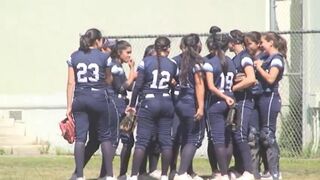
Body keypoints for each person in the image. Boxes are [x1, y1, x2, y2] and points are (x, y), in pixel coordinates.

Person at [66, 28, 116, 180]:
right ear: (97, 41)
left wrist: (68, 106)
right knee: (105, 137)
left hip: (80, 98)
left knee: (81, 138)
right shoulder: (104, 56)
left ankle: (80, 176)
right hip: (98, 97)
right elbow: (108, 80)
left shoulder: (74, 56)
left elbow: (70, 82)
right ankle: (109, 175)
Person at [127, 36, 178, 180]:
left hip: (149, 101)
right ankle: (163, 175)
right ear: (167, 48)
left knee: (142, 141)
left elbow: (138, 85)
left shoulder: (146, 62)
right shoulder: (172, 63)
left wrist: (132, 105)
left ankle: (134, 175)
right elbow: (175, 83)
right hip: (167, 102)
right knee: (166, 141)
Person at [203, 26, 236, 180]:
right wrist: (228, 96)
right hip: (230, 100)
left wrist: (222, 96)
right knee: (227, 138)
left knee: (218, 139)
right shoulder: (231, 62)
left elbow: (211, 86)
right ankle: (226, 171)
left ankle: (222, 174)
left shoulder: (211, 62)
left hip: (217, 102)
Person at [254, 32, 286, 180]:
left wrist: (259, 68)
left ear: (271, 42)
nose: (260, 45)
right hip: (260, 98)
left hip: (270, 98)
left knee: (268, 135)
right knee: (259, 136)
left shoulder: (277, 59)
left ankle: (275, 172)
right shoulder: (264, 57)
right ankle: (264, 170)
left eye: (263, 42)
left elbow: (271, 79)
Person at [173, 33, 205, 180]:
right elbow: (199, 85)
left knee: (183, 138)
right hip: (190, 102)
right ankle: (182, 173)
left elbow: (171, 80)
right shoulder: (197, 62)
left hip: (177, 102)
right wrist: (201, 107)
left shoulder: (175, 61)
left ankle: (186, 171)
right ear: (197, 45)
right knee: (194, 138)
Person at [228, 29, 256, 180]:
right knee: (234, 135)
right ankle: (239, 168)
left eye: (229, 41)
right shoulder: (235, 59)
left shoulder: (244, 57)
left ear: (234, 42)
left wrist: (233, 88)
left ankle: (249, 172)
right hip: (237, 101)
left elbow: (251, 79)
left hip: (244, 100)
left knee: (240, 134)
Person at [106, 40, 137, 179]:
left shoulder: (120, 66)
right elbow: (121, 88)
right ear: (119, 52)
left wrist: (131, 70)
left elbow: (129, 87)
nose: (130, 55)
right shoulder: (114, 67)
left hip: (123, 104)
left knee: (128, 140)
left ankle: (122, 174)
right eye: (127, 52)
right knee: (115, 139)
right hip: (117, 105)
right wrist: (132, 74)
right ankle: (107, 173)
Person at [244, 31, 269, 179]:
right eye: (246, 44)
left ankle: (269, 169)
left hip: (263, 99)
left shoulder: (266, 58)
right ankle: (254, 170)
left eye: (250, 44)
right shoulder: (248, 58)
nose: (248, 47)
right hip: (252, 100)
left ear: (258, 44)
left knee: (265, 136)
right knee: (252, 135)